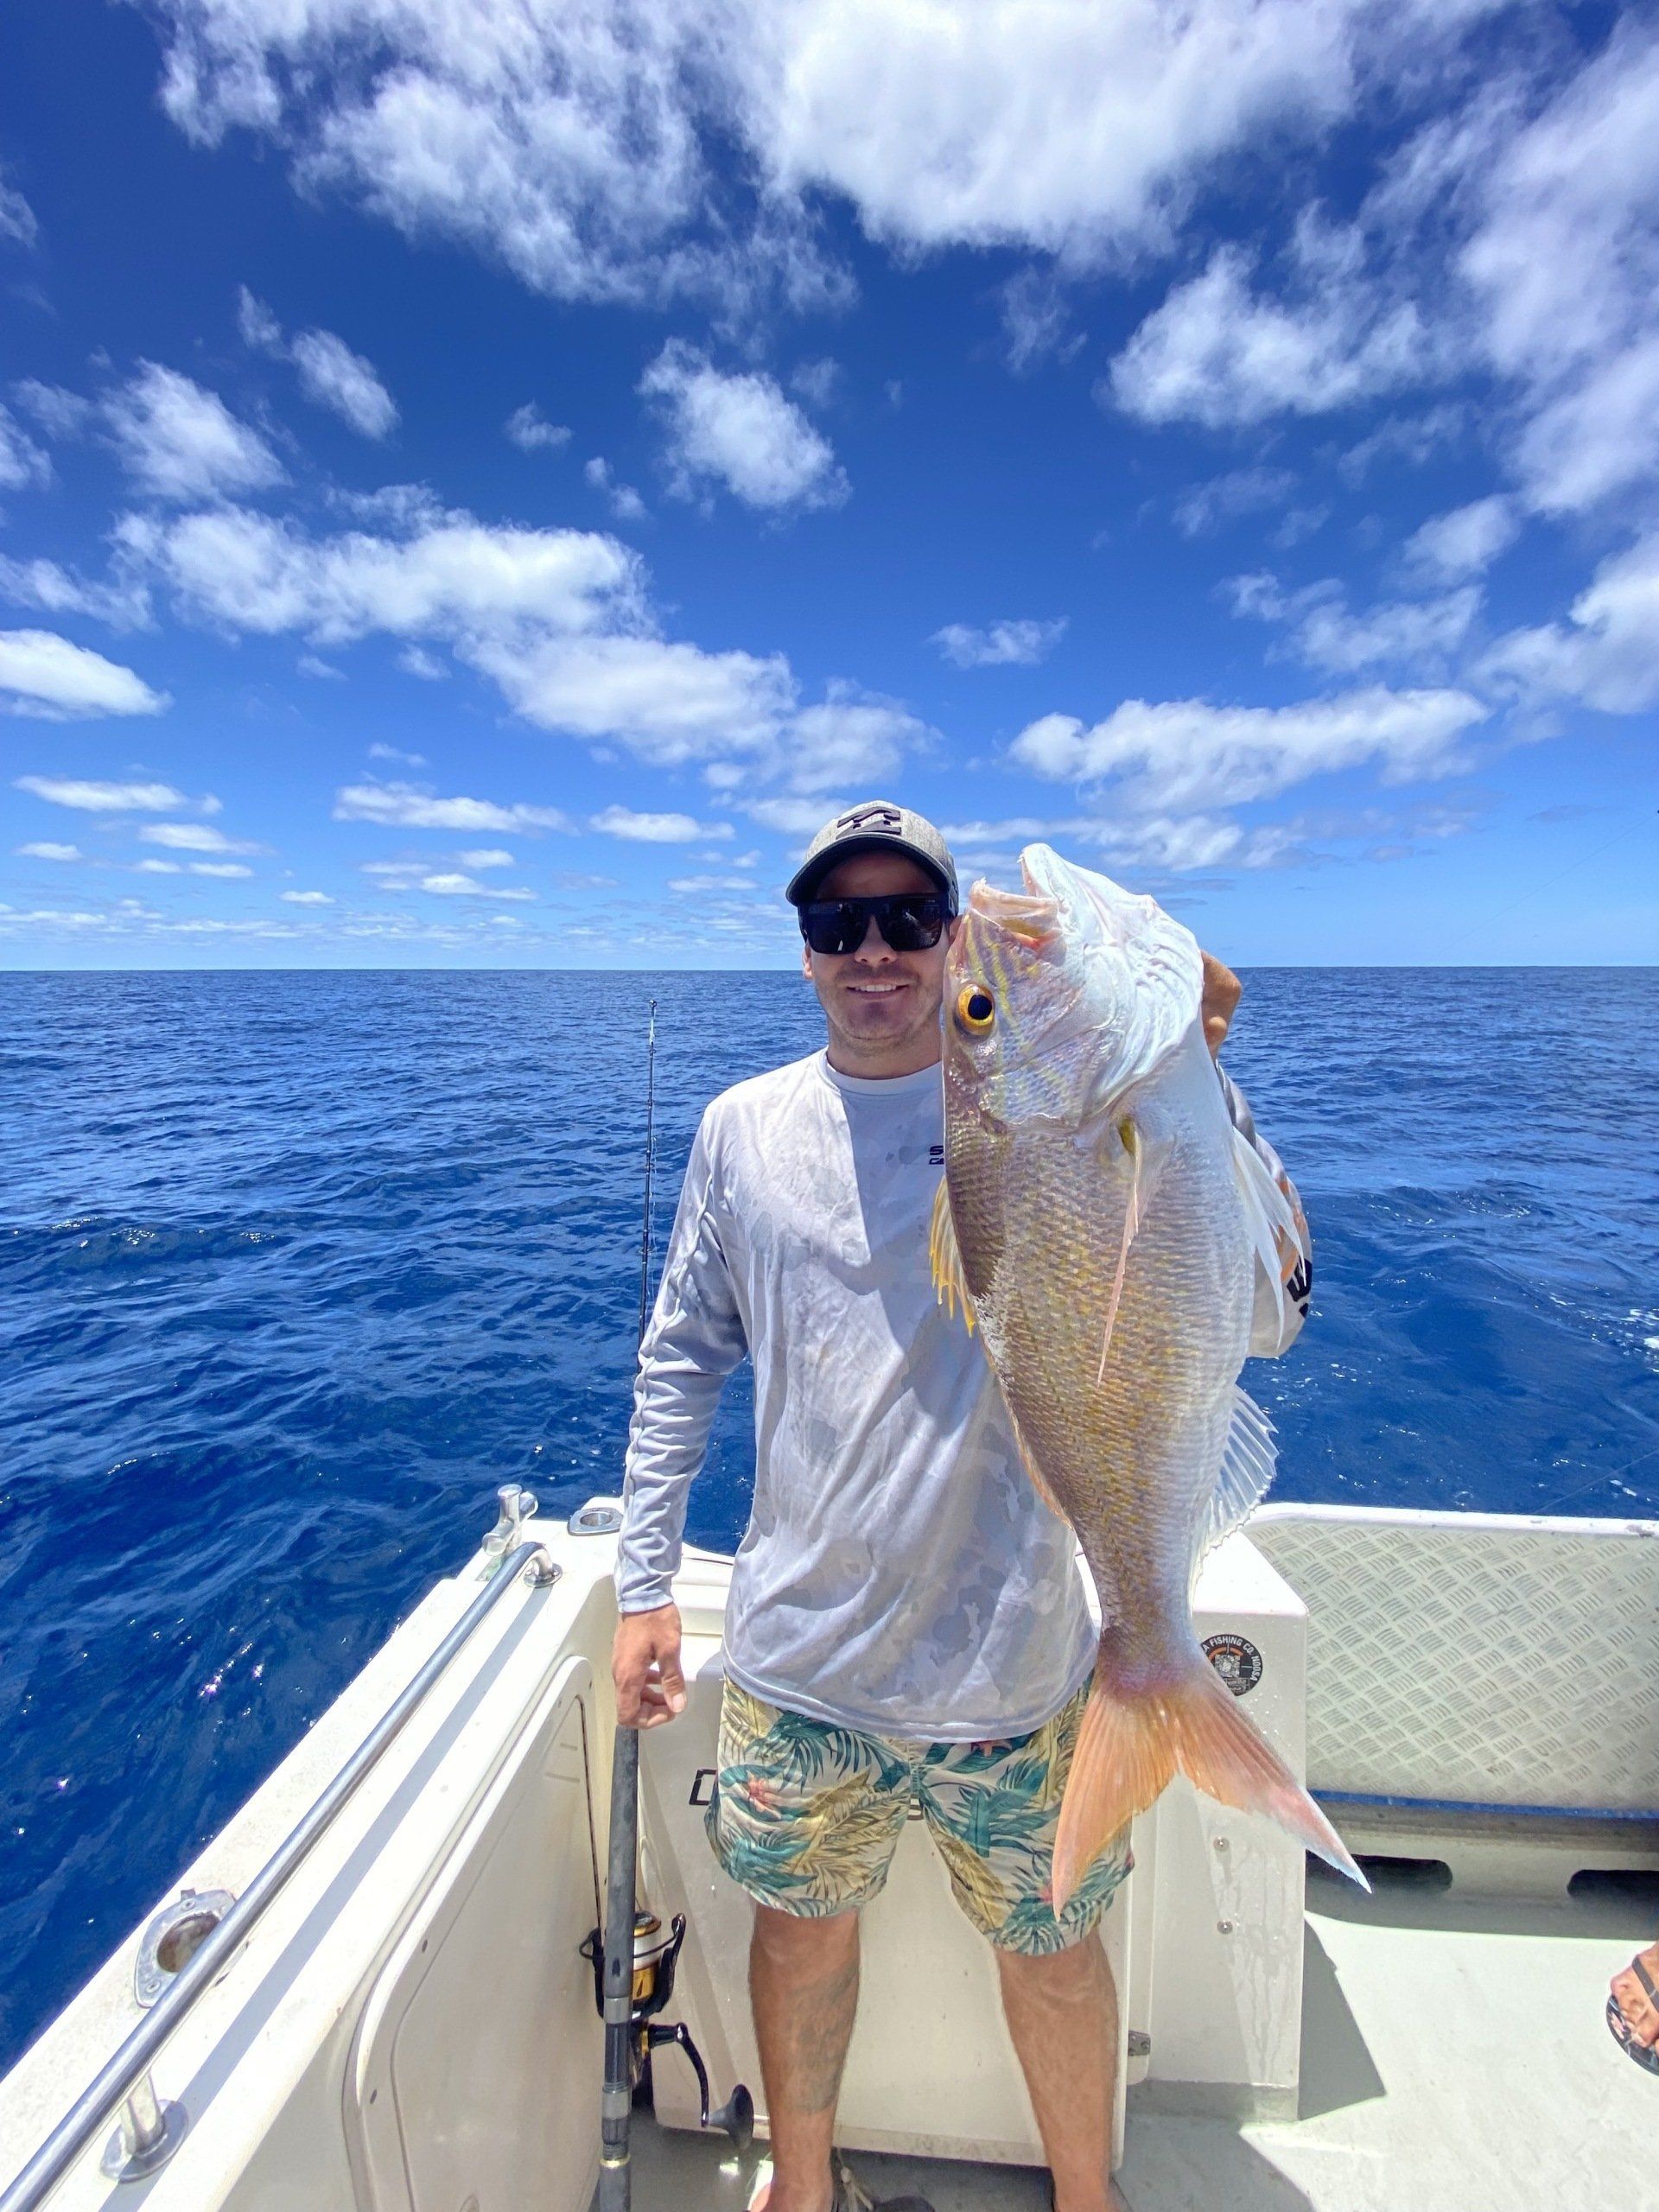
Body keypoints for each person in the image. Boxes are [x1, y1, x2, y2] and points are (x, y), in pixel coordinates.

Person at [612, 801, 1313, 2212]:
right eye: (837, 924)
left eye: (916, 923)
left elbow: (1276, 1306)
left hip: (1026, 1666)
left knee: (1053, 1952)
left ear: (942, 947)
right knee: (798, 1938)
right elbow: (680, 1355)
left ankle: (1086, 2196)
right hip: (801, 1664)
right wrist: (642, 1584)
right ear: (805, 951)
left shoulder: (1055, 1101)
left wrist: (1213, 1080)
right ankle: (800, 2190)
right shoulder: (740, 1130)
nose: (877, 951)